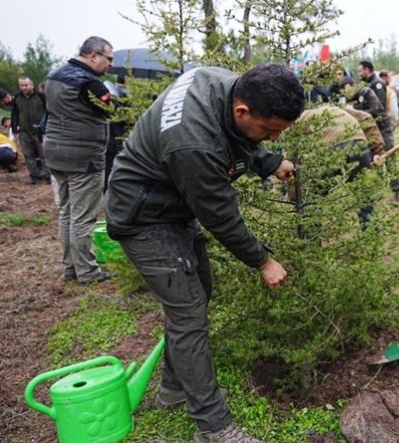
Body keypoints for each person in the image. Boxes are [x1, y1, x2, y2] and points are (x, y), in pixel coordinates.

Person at [106, 64, 304, 443]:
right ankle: (213, 426)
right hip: (144, 217)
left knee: (198, 295)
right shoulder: (193, 143)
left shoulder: (222, 84)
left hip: (172, 204)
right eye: (270, 130)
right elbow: (221, 217)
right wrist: (264, 260)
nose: (275, 136)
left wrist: (268, 160)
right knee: (188, 309)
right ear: (243, 110)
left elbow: (236, 138)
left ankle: (175, 389)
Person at [44, 36, 114, 285]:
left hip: (55, 153)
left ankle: (70, 268)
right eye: (109, 59)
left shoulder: (53, 76)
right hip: (83, 159)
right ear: (93, 56)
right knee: (83, 217)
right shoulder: (90, 84)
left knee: (66, 213)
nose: (111, 65)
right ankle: (88, 272)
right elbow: (111, 110)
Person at [359, 60, 399, 201]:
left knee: (388, 159)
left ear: (367, 70)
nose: (360, 73)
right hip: (372, 129)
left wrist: (361, 113)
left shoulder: (377, 84)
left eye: (361, 71)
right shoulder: (367, 85)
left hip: (382, 128)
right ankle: (375, 192)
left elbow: (379, 108)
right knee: (372, 160)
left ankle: (397, 191)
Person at [12, 76, 50, 184]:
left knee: (44, 154)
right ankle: (34, 176)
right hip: (24, 131)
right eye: (21, 85)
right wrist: (14, 128)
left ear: (32, 85)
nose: (24, 87)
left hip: (40, 131)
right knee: (29, 155)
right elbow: (14, 113)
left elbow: (49, 112)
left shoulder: (41, 96)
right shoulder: (17, 98)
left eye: (26, 85)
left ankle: (48, 175)